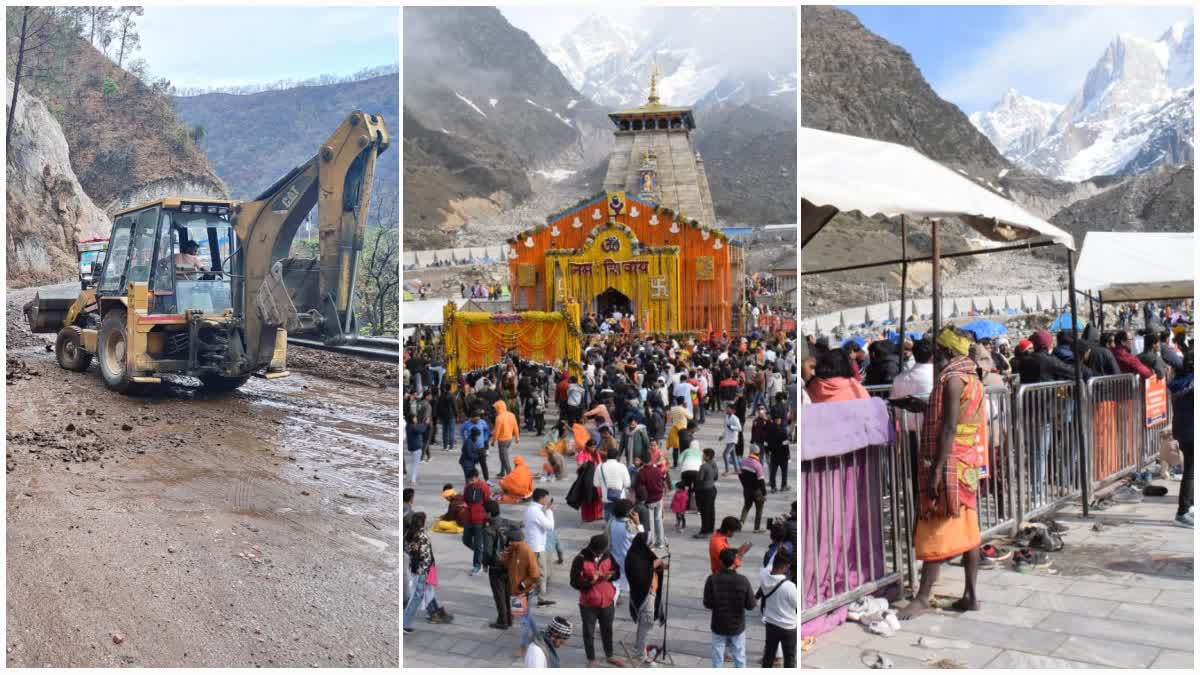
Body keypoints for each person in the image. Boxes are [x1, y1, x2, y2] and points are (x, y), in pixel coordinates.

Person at [899, 327, 986, 619]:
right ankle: (971, 595)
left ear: (947, 352)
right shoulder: (973, 378)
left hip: (950, 461)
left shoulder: (951, 380)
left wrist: (936, 470)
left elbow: (949, 427)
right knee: (968, 526)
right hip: (967, 461)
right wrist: (924, 407)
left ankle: (923, 597)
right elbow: (957, 418)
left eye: (938, 351)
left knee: (935, 523)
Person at [569, 534, 626, 668]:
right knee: (588, 631)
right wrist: (591, 581)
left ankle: (610, 655)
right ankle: (591, 659)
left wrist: (611, 576)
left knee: (607, 629)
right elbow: (574, 582)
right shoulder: (580, 559)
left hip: (607, 600)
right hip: (589, 603)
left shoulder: (608, 555)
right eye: (599, 551)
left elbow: (617, 572)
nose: (601, 553)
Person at [703, 548, 756, 668]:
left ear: (721, 562)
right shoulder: (743, 580)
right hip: (737, 626)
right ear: (735, 561)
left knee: (717, 659)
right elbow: (751, 605)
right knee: (739, 658)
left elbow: (707, 603)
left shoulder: (712, 579)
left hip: (718, 624)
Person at [403, 512, 454, 632]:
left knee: (427, 592)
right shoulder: (422, 536)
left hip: (416, 569)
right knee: (417, 596)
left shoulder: (410, 534)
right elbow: (426, 557)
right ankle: (404, 622)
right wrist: (427, 572)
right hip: (423, 571)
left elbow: (407, 549)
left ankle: (434, 612)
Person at [623, 531, 666, 667]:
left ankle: (639, 649)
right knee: (646, 625)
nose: (651, 547)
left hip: (651, 593)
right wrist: (654, 564)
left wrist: (660, 566)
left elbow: (649, 567)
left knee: (646, 625)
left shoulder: (642, 553)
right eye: (649, 544)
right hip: (644, 597)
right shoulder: (633, 557)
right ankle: (641, 655)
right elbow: (640, 576)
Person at [501, 528, 541, 655]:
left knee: (523, 619)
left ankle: (523, 646)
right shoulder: (514, 550)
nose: (506, 542)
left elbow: (535, 575)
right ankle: (537, 635)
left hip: (523, 591)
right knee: (526, 615)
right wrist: (507, 553)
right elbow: (506, 565)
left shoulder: (526, 551)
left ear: (513, 541)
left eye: (508, 540)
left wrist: (522, 585)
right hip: (515, 591)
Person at [482, 500, 519, 629]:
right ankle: (511, 618)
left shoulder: (488, 530)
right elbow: (520, 526)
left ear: (489, 513)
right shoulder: (507, 523)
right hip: (510, 564)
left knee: (499, 594)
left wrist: (485, 564)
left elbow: (487, 551)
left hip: (496, 566)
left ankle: (502, 620)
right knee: (509, 592)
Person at [758, 551, 797, 668]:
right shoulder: (789, 586)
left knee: (768, 656)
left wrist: (777, 550)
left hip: (771, 624)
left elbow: (769, 565)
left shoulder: (763, 575)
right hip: (788, 627)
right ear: (786, 567)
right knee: (789, 658)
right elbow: (796, 604)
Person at [1169, 349, 1194, 528]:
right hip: (1191, 431)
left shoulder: (1180, 380)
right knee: (1190, 473)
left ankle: (1189, 506)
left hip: (1183, 429)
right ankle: (1183, 512)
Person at [524, 488, 559, 606]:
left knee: (534, 573)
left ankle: (533, 596)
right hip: (536, 548)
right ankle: (540, 598)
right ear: (542, 498)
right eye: (546, 498)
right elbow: (550, 526)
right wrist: (549, 511)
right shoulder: (536, 511)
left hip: (533, 545)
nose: (547, 500)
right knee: (541, 573)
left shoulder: (532, 509)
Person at [606, 500, 641, 604]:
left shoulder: (611, 522)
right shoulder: (629, 526)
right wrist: (638, 523)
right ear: (629, 513)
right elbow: (643, 540)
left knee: (616, 583)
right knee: (634, 585)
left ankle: (611, 604)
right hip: (629, 561)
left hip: (615, 558)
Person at [633, 448, 667, 548]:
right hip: (659, 498)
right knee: (658, 520)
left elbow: (638, 488)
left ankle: (651, 541)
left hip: (649, 500)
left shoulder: (641, 473)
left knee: (650, 521)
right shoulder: (657, 469)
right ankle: (660, 542)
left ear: (642, 460)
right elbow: (662, 480)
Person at [593, 447, 631, 522]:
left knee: (607, 516)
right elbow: (627, 484)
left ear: (607, 456)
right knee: (618, 518)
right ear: (617, 456)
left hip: (606, 497)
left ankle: (608, 530)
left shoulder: (600, 467)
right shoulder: (622, 466)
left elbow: (596, 484)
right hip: (620, 497)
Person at [738, 451, 768, 533]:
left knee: (746, 506)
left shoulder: (742, 461)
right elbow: (761, 481)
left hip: (746, 490)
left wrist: (744, 485)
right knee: (759, 509)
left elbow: (740, 474)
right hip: (757, 491)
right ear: (758, 454)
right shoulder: (758, 465)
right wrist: (764, 493)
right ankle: (756, 528)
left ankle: (740, 524)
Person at [693, 447, 720, 538]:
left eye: (704, 454)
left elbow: (699, 480)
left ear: (707, 456)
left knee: (704, 511)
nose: (702, 456)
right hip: (712, 489)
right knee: (711, 511)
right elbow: (716, 477)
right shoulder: (714, 464)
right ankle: (710, 529)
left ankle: (704, 531)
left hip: (704, 491)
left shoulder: (704, 466)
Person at [460, 411, 492, 480]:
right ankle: (472, 479)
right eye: (475, 420)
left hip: (481, 447)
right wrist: (464, 439)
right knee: (471, 465)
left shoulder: (482, 422)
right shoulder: (467, 423)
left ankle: (487, 480)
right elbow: (461, 431)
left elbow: (487, 430)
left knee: (483, 464)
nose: (477, 421)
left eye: (478, 419)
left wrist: (485, 439)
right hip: (471, 448)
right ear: (471, 418)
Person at [492, 400, 520, 477]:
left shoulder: (499, 418)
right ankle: (502, 472)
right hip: (509, 439)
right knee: (503, 456)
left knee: (504, 457)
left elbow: (497, 431)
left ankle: (509, 474)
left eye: (496, 408)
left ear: (499, 408)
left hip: (502, 440)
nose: (495, 409)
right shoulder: (512, 415)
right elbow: (515, 427)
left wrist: (493, 441)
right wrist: (517, 437)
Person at [721, 404, 743, 476]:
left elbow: (740, 428)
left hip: (733, 440)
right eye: (726, 408)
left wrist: (732, 427)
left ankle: (727, 471)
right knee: (733, 455)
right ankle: (737, 469)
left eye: (728, 409)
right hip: (728, 439)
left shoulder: (735, 418)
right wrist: (722, 436)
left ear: (733, 411)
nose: (726, 410)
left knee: (725, 454)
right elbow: (725, 428)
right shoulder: (726, 417)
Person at [405, 419, 426, 486]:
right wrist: (425, 424)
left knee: (413, 464)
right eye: (415, 418)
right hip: (416, 448)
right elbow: (422, 430)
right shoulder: (413, 427)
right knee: (415, 465)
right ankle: (413, 480)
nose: (416, 419)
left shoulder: (408, 426)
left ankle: (412, 479)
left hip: (411, 447)